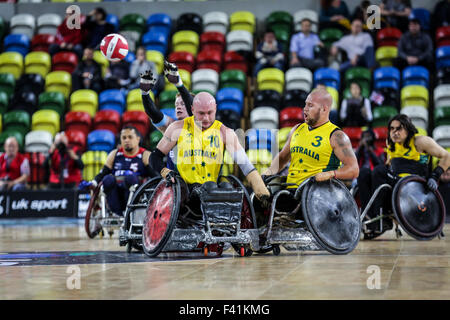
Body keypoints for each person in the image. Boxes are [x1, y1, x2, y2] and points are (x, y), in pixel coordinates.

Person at [148, 92, 270, 209]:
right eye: (201, 113)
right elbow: (154, 157)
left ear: (216, 109)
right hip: (184, 190)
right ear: (193, 109)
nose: (206, 118)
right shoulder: (177, 127)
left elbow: (246, 166)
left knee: (227, 188)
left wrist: (261, 191)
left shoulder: (225, 132)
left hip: (212, 189)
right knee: (209, 188)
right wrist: (165, 171)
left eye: (210, 113)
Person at [261, 88, 359, 215]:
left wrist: (330, 174)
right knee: (256, 197)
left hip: (316, 195)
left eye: (310, 105)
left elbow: (354, 169)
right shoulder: (297, 129)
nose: (305, 109)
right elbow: (283, 157)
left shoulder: (336, 136)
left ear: (324, 109)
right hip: (290, 191)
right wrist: (267, 173)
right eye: (305, 104)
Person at [365, 114, 450, 239]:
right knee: (364, 174)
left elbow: (447, 156)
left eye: (399, 128)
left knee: (378, 170)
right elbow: (389, 165)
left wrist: (435, 175)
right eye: (392, 129)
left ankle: (379, 218)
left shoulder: (420, 141)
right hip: (395, 183)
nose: (394, 132)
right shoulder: (390, 143)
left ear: (408, 129)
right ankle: (371, 217)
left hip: (414, 186)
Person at [79, 126, 154, 216]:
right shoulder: (114, 154)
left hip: (135, 193)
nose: (126, 140)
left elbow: (154, 175)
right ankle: (116, 213)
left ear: (138, 139)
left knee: (130, 178)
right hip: (115, 193)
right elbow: (102, 173)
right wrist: (93, 183)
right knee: (107, 179)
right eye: (124, 138)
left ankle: (129, 213)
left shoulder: (145, 154)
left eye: (130, 137)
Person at [355, 128, 385, 214]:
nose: (366, 139)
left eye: (368, 137)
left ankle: (374, 212)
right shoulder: (360, 150)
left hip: (374, 175)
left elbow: (380, 164)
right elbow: (354, 161)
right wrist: (360, 148)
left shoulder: (379, 150)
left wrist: (370, 150)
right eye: (364, 137)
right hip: (360, 175)